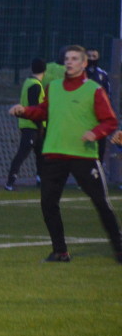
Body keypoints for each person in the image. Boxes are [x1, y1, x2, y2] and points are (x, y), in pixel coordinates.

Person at [9, 45, 122, 263]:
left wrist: (95, 133)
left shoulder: (94, 90)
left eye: (74, 58)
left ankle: (119, 248)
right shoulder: (53, 88)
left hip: (83, 156)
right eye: (67, 58)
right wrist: (24, 111)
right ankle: (60, 251)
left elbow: (109, 121)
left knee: (101, 203)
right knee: (48, 203)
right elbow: (43, 111)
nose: (69, 62)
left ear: (84, 63)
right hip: (54, 154)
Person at [5, 58, 46, 191]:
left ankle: (40, 179)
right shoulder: (36, 85)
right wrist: (40, 126)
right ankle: (10, 182)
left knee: (41, 154)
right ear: (44, 71)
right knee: (22, 153)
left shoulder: (28, 82)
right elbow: (34, 108)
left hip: (30, 125)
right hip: (32, 126)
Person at [85, 49, 112, 164]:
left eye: (94, 56)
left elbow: (108, 94)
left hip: (98, 114)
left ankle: (98, 163)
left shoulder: (102, 74)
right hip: (83, 114)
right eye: (89, 56)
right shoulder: (80, 73)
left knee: (100, 141)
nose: (91, 58)